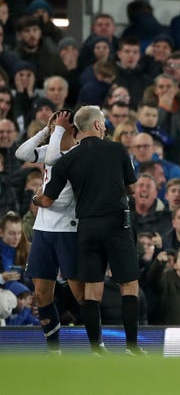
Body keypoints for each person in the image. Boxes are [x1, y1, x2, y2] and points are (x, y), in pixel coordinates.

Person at [33, 105, 144, 355]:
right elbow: (133, 189)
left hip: (86, 228)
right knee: (129, 285)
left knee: (92, 290)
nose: (104, 127)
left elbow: (47, 199)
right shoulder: (116, 149)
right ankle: (132, 348)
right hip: (117, 225)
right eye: (103, 123)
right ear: (96, 125)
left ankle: (96, 350)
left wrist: (34, 200)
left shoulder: (67, 159)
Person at [14, 110, 84, 353]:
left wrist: (59, 131)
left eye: (59, 126)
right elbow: (21, 153)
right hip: (43, 230)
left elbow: (55, 162)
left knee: (82, 295)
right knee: (42, 294)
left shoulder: (79, 155)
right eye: (53, 126)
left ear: (71, 128)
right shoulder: (49, 148)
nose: (55, 129)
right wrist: (45, 130)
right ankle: (55, 351)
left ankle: (99, 343)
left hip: (68, 231)